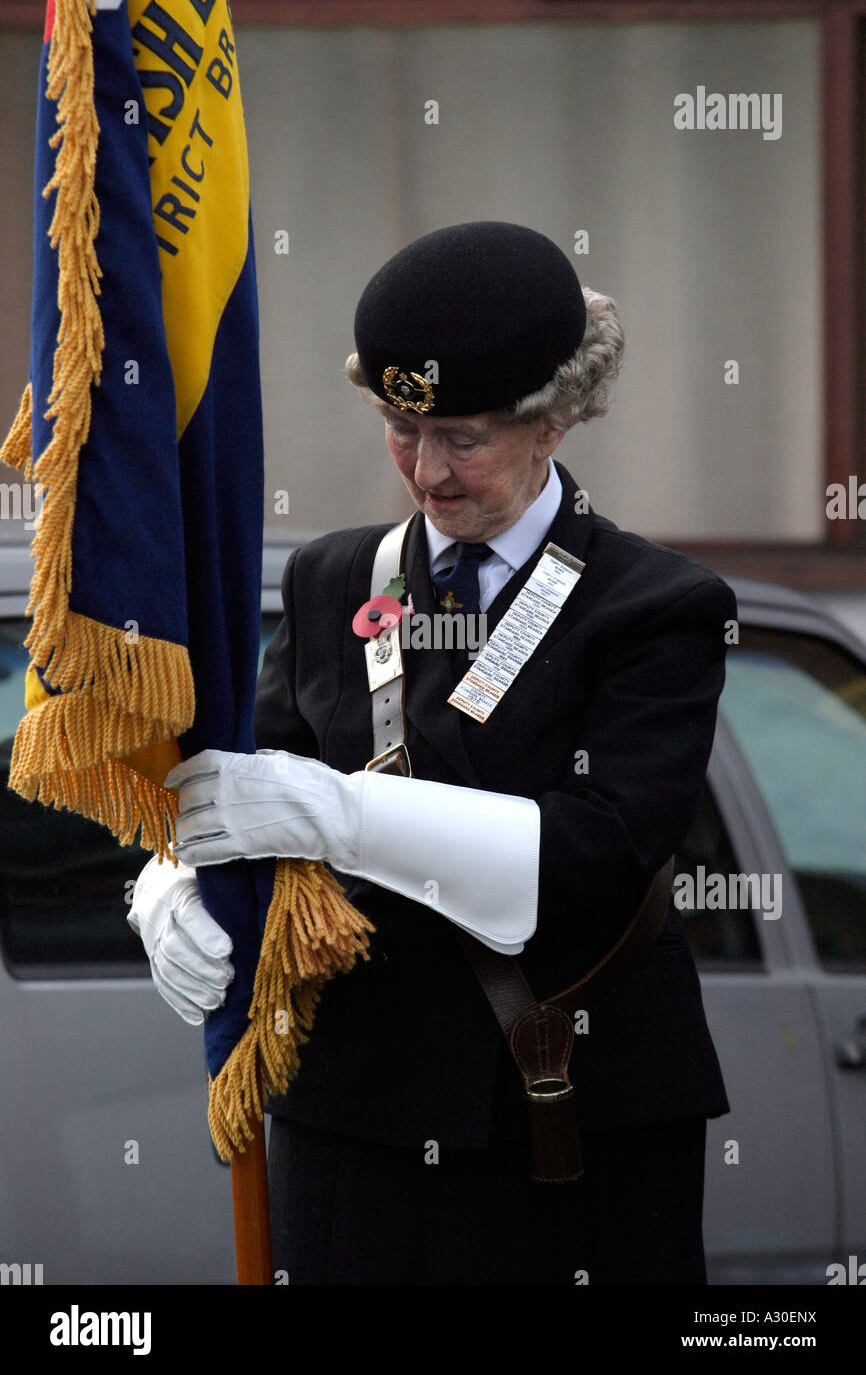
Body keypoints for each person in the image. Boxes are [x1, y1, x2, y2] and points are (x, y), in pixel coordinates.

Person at [130, 221, 735, 1286]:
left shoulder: (654, 606)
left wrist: (338, 814)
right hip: (356, 1119)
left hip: (566, 1118)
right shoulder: (332, 579)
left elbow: (593, 852)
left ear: (551, 420)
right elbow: (240, 778)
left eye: (462, 436)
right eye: (399, 429)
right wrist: (170, 883)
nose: (426, 472)